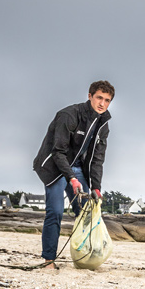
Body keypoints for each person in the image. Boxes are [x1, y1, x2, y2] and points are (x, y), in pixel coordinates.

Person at [33, 80, 115, 269]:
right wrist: (71, 178)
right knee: (55, 211)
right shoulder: (69, 115)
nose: (102, 103)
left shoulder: (103, 124)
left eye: (107, 100)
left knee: (86, 213)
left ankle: (86, 257)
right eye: (99, 98)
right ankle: (49, 260)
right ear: (90, 96)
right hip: (55, 167)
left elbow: (97, 159)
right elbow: (58, 151)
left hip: (77, 168)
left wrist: (96, 186)